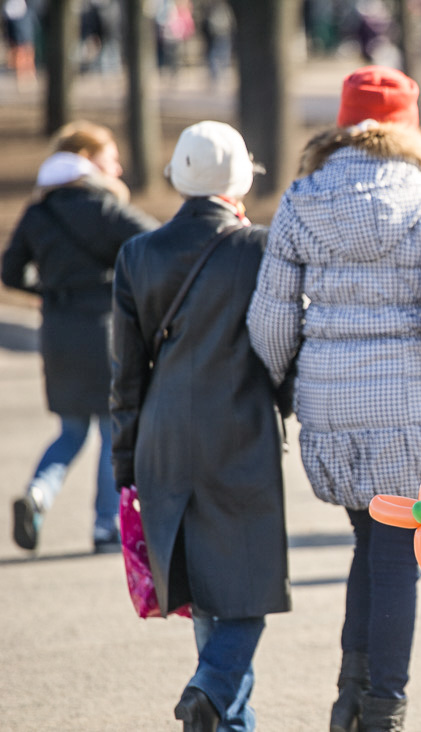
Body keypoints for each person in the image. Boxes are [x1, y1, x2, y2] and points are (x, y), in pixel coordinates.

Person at [247, 66, 421, 732]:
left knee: (368, 542)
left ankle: (349, 697)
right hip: (406, 405)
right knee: (394, 553)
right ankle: (385, 706)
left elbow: (268, 320)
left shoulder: (301, 197)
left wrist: (292, 381)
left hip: (328, 403)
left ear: (343, 123)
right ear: (409, 127)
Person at [110, 121, 290, 732]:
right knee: (247, 594)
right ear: (240, 180)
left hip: (162, 442)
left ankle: (218, 712)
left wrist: (124, 469)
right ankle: (210, 689)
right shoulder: (260, 248)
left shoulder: (137, 254)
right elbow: (281, 347)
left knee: (211, 599)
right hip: (238, 437)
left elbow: (126, 379)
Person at [2, 120, 158, 554]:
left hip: (56, 330)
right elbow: (157, 242)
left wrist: (49, 289)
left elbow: (10, 271)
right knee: (113, 433)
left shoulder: (40, 211)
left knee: (70, 431)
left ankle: (38, 495)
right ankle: (106, 526)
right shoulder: (105, 207)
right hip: (107, 330)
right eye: (111, 158)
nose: (119, 167)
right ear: (87, 161)